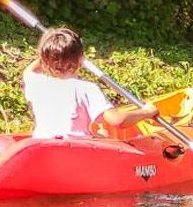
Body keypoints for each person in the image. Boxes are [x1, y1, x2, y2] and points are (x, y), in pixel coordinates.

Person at [22, 27, 158, 139]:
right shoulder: (87, 89)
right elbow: (117, 120)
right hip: (75, 153)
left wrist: (51, 52)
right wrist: (146, 112)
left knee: (99, 136)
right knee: (104, 136)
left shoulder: (37, 83)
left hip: (43, 148)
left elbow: (29, 70)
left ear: (45, 61)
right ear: (81, 60)